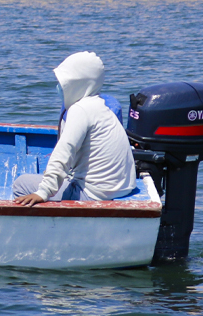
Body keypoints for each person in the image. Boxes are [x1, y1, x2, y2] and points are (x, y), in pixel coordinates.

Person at [12, 52, 137, 205]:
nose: (59, 87)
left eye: (63, 82)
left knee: (21, 183)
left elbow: (65, 150)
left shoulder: (81, 109)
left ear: (77, 83)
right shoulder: (101, 107)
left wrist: (44, 191)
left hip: (93, 194)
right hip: (122, 188)